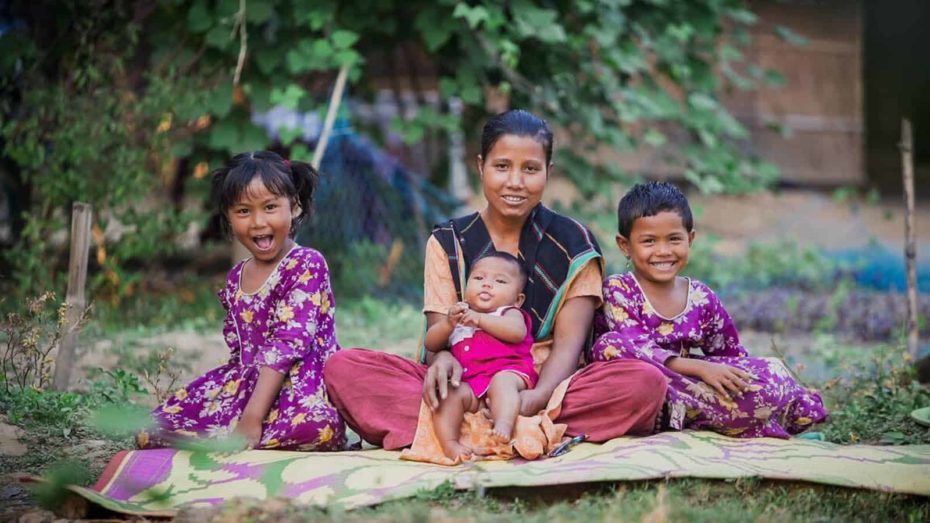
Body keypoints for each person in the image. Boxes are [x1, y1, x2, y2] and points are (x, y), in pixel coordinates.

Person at [325, 110, 667, 450]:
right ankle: (498, 429)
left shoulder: (574, 243)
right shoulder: (449, 241)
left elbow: (568, 347)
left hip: (546, 389)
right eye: (502, 166)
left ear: (548, 172)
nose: (515, 182)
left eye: (530, 169)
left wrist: (535, 398)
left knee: (644, 382)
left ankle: (463, 433)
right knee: (344, 368)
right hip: (463, 386)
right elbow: (438, 336)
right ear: (480, 167)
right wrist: (441, 361)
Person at [137, 151, 345, 451]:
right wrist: (236, 405)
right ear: (228, 217)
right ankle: (240, 434)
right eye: (243, 211)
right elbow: (240, 352)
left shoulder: (306, 263)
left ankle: (246, 434)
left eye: (270, 207)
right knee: (151, 431)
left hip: (301, 386)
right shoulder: (236, 277)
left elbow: (288, 345)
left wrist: (251, 417)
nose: (258, 222)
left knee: (317, 428)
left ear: (295, 207)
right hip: (250, 385)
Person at [591, 181, 828, 438]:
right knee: (609, 344)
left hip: (689, 392)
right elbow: (630, 349)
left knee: (772, 373)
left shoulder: (701, 298)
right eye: (649, 241)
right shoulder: (618, 289)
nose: (663, 251)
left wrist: (742, 377)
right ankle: (741, 420)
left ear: (690, 239)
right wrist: (700, 368)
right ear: (625, 245)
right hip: (637, 389)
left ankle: (697, 416)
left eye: (674, 239)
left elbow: (732, 357)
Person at [423, 252, 537, 459]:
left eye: (500, 281)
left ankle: (503, 424)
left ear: (518, 299)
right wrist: (448, 324)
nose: (487, 284)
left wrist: (479, 319)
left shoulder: (509, 313)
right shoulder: (458, 316)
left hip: (508, 372)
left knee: (502, 383)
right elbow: (430, 343)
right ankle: (449, 444)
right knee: (448, 393)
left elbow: (517, 331)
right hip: (471, 384)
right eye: (478, 278)